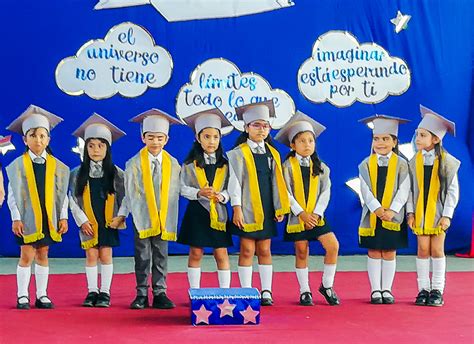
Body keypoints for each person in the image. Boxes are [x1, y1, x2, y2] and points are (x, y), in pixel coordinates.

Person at [5, 105, 70, 309]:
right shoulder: (18, 165)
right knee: (26, 255)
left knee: (43, 254)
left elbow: (62, 194)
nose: (38, 140)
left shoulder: (57, 166)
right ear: (25, 139)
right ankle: (22, 295)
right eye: (33, 135)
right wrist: (16, 217)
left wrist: (63, 216)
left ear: (48, 139)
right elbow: (13, 193)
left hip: (48, 216)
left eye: (43, 135)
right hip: (26, 218)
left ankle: (42, 295)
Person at [227, 100, 290, 306]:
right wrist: (236, 208)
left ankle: (266, 291)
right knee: (246, 250)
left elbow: (278, 182)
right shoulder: (237, 153)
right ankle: (246, 291)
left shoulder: (273, 153)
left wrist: (280, 206)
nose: (261, 130)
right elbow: (234, 183)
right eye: (256, 125)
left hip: (267, 206)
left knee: (264, 250)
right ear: (246, 128)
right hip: (246, 207)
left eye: (265, 125)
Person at [275, 111, 340, 306]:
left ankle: (327, 285)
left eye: (310, 140)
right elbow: (285, 191)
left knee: (332, 246)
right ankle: (305, 291)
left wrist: (316, 214)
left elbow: (325, 192)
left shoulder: (322, 167)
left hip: (316, 215)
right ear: (293, 145)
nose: (307, 144)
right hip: (298, 216)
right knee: (302, 251)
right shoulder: (286, 167)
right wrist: (301, 213)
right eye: (302, 141)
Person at [119, 109, 181, 309]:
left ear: (167, 139)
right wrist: (122, 215)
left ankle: (160, 292)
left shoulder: (173, 164)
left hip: (164, 218)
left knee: (161, 255)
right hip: (142, 218)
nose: (155, 142)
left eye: (159, 138)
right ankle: (141, 293)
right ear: (142, 137)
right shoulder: (133, 164)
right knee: (143, 256)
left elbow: (180, 189)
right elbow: (129, 194)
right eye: (151, 137)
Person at [69, 113, 127, 307]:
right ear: (85, 148)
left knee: (106, 254)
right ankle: (92, 291)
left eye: (100, 146)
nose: (95, 150)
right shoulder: (77, 174)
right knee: (91, 254)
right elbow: (71, 199)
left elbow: (126, 197)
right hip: (88, 221)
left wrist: (120, 217)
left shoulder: (117, 173)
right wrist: (82, 220)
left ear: (107, 148)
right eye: (91, 145)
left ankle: (105, 292)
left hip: (108, 220)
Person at [407, 105, 460, 307]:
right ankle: (423, 289)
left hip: (438, 212)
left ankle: (437, 289)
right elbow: (411, 190)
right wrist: (410, 213)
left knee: (437, 249)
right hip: (420, 211)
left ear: (435, 139)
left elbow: (453, 191)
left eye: (422, 135)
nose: (417, 139)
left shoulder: (448, 163)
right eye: (417, 135)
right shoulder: (413, 162)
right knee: (422, 249)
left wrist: (447, 215)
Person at [178, 108, 234, 289]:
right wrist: (198, 193)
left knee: (221, 253)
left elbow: (231, 189)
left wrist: (222, 196)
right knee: (195, 252)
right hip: (197, 212)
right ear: (198, 138)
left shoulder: (226, 165)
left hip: (218, 213)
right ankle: (194, 291)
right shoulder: (189, 165)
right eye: (207, 136)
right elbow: (181, 187)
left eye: (215, 137)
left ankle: (224, 291)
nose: (211, 141)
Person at [357, 115, 410, 304]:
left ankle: (386, 289)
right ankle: (375, 290)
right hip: (373, 215)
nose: (380, 143)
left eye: (386, 139)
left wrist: (392, 211)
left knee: (389, 251)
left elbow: (404, 190)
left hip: (393, 215)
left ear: (395, 141)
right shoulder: (365, 164)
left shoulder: (403, 164)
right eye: (376, 138)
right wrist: (377, 209)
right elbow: (365, 190)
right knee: (373, 251)